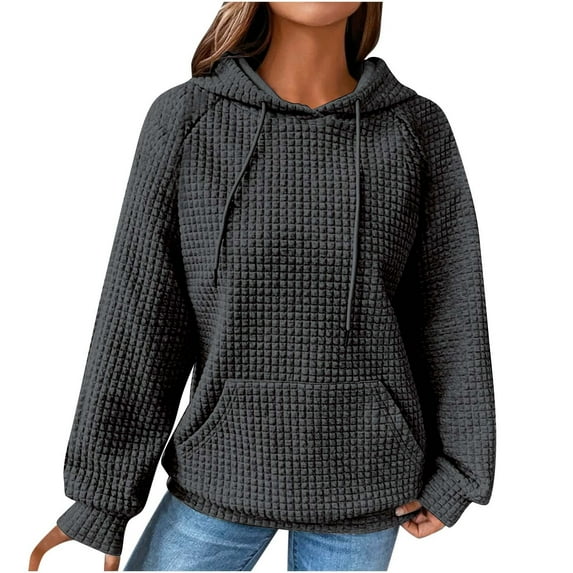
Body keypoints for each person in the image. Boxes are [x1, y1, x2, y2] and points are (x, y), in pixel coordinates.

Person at [29, 2, 497, 571]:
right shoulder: (188, 118)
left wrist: (460, 472)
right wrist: (101, 497)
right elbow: (141, 313)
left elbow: (450, 307)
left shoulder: (414, 128)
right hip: (221, 470)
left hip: (368, 479)